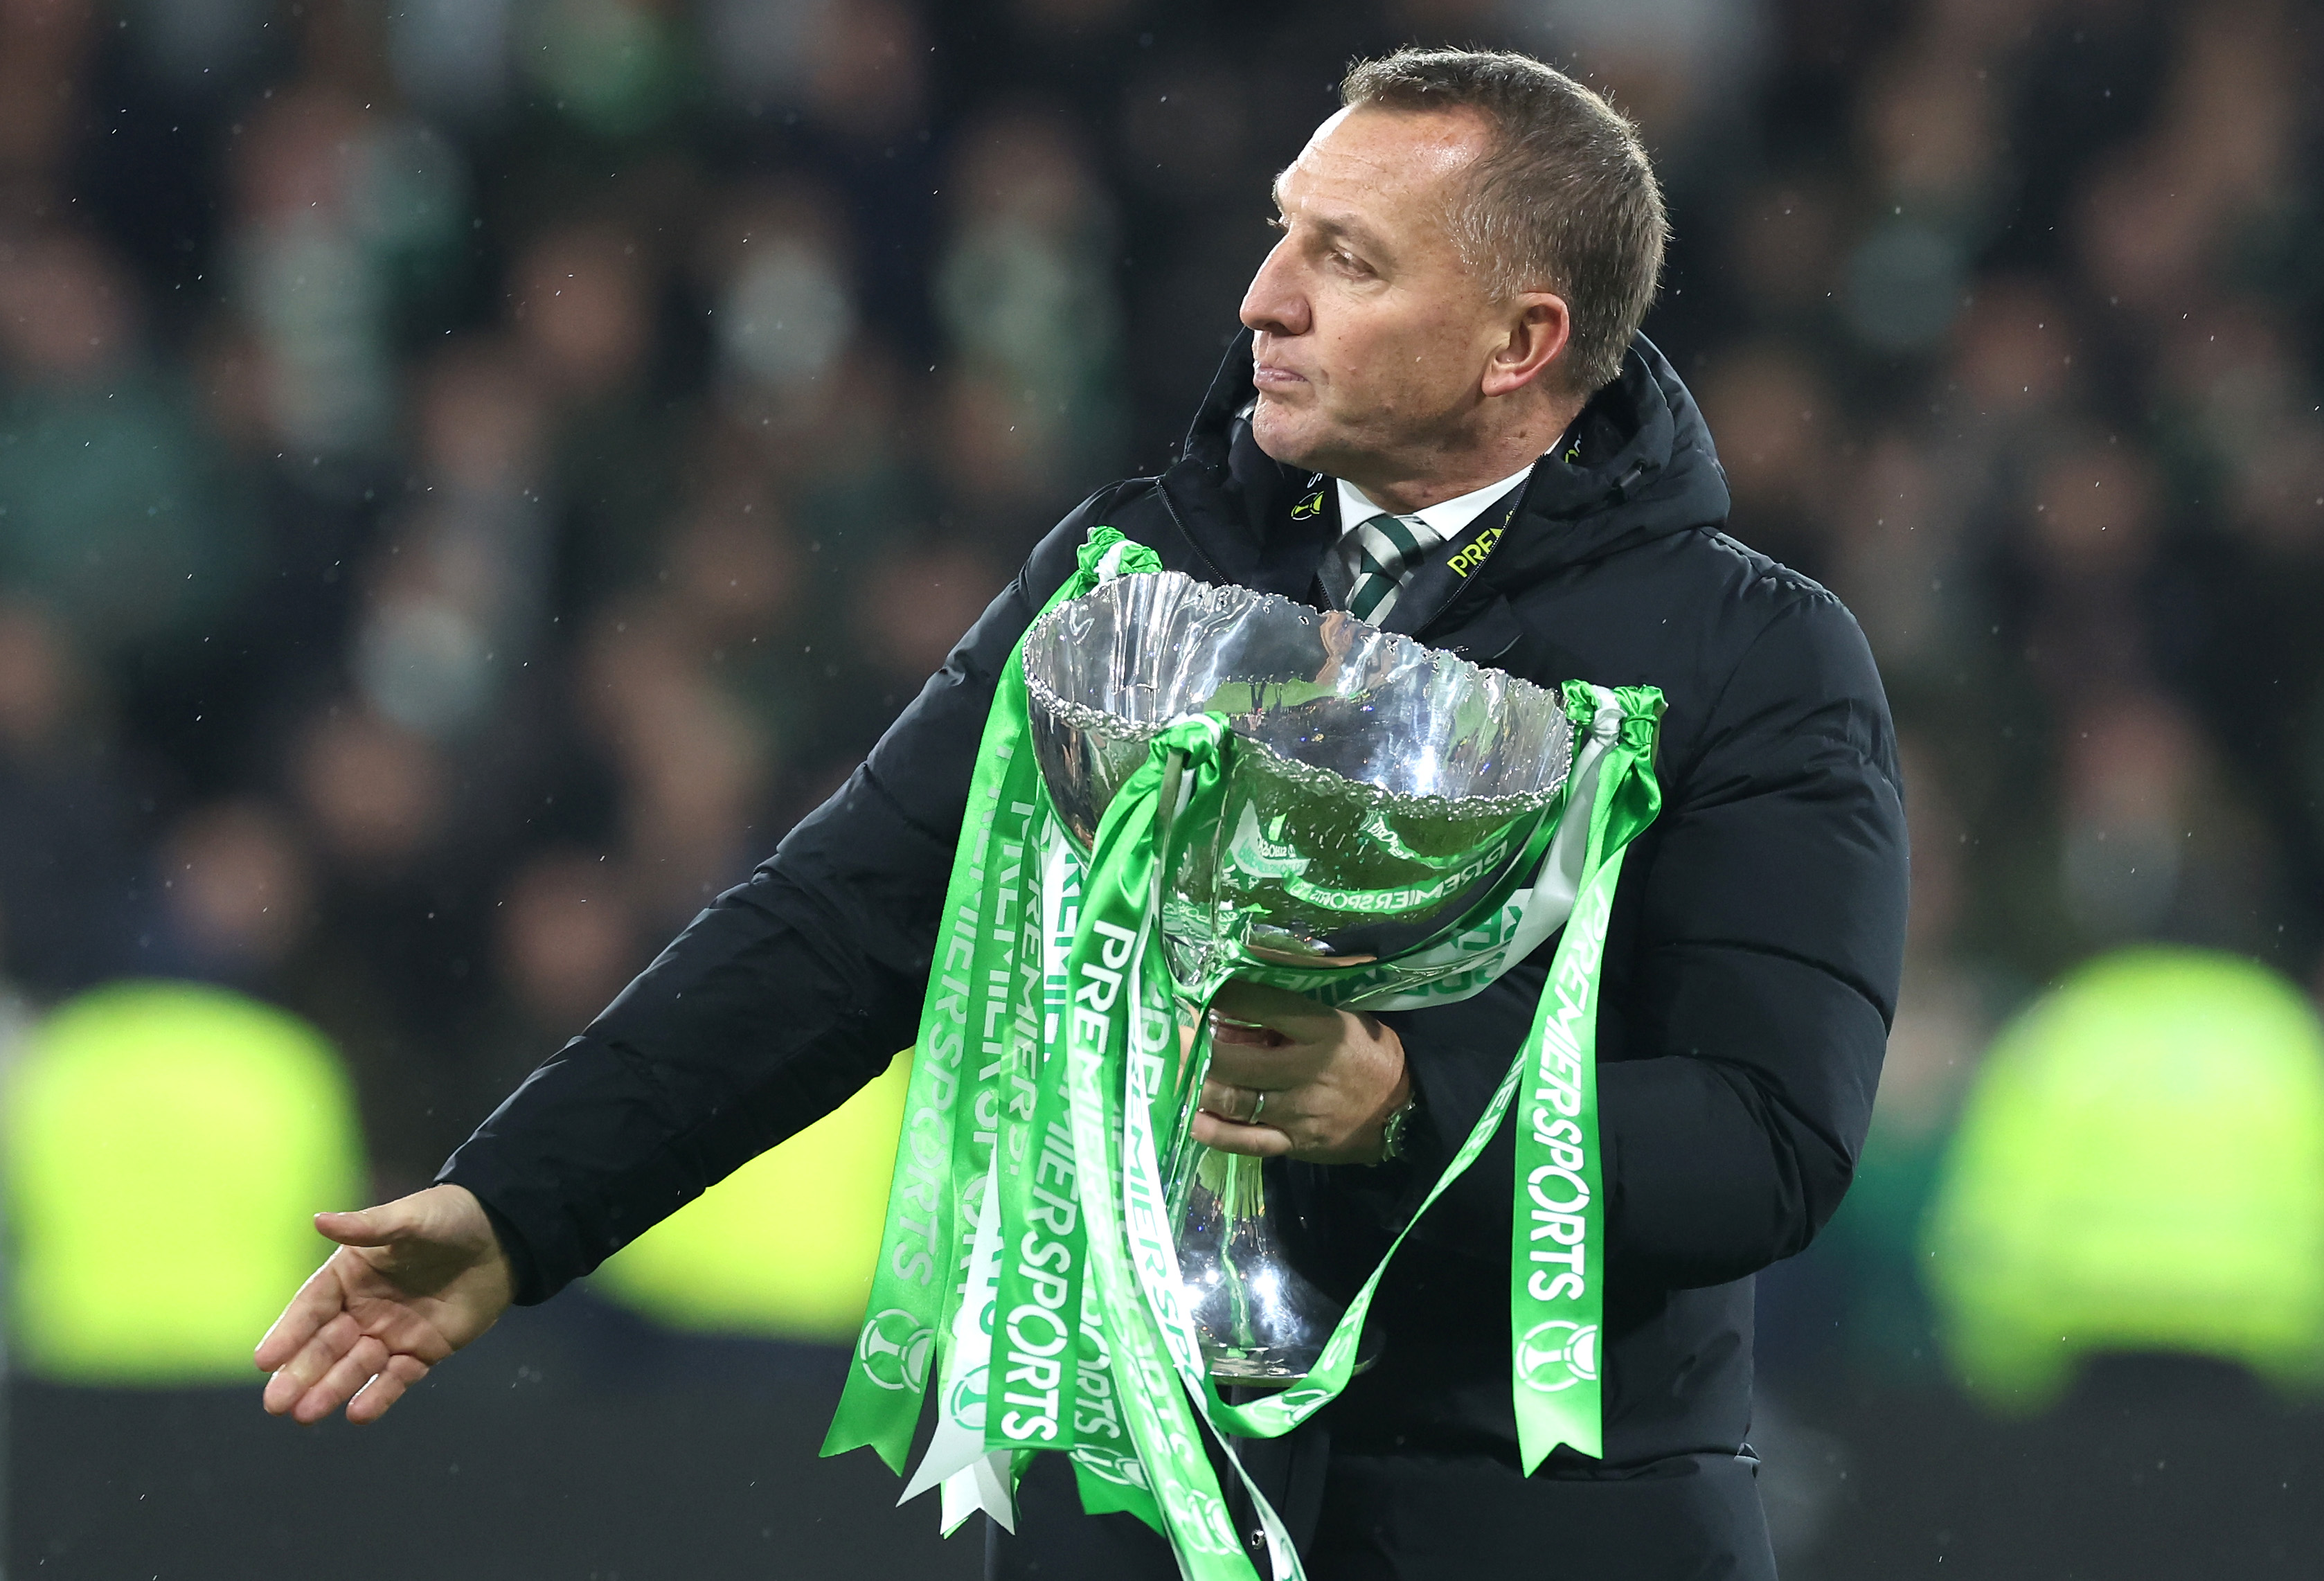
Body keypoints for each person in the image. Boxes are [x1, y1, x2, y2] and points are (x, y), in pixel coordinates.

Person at [255, 47, 1907, 1580]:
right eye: (1281, 234)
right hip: (1138, 1519)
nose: (1263, 299)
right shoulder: (1134, 576)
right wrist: (518, 1202)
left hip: (1535, 1535)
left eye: (1348, 260)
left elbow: (1769, 1137)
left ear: (1519, 342)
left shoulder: (1752, 657)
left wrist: (1409, 1097)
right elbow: (843, 922)